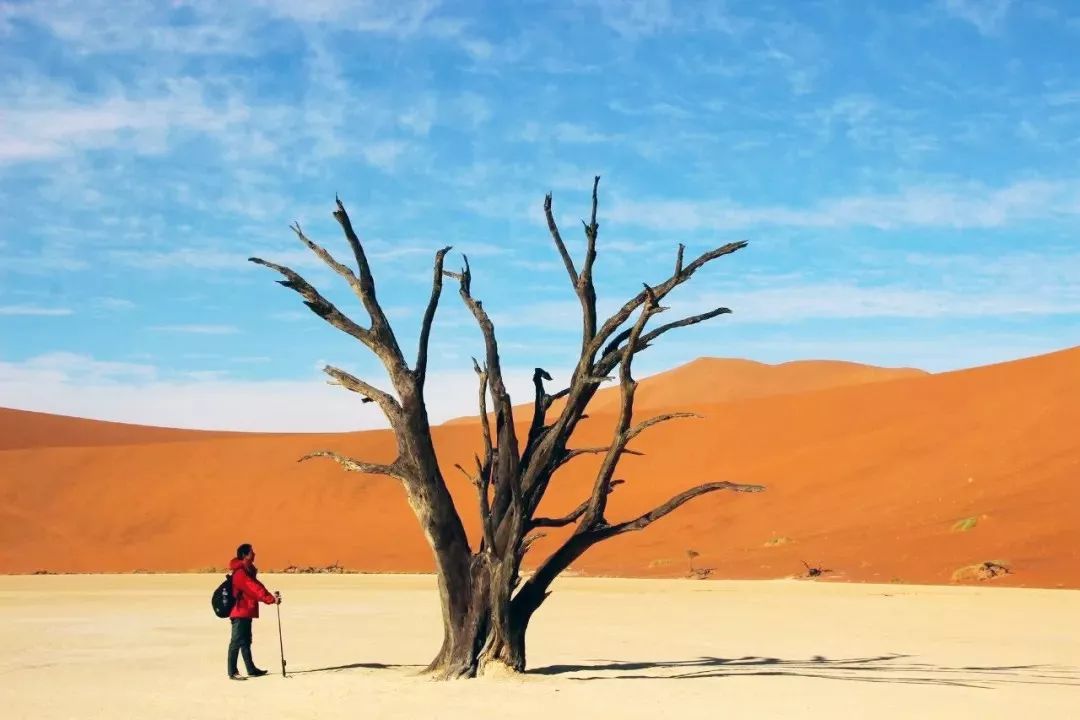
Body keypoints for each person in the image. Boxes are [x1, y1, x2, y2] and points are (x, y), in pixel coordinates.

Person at [227, 543, 280, 680]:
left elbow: (257, 586)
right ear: (245, 555)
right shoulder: (240, 573)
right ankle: (232, 672)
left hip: (246, 611)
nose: (254, 554)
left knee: (245, 641)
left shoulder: (247, 571)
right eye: (251, 552)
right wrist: (270, 599)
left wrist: (270, 597)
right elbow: (253, 588)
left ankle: (251, 669)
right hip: (239, 611)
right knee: (236, 641)